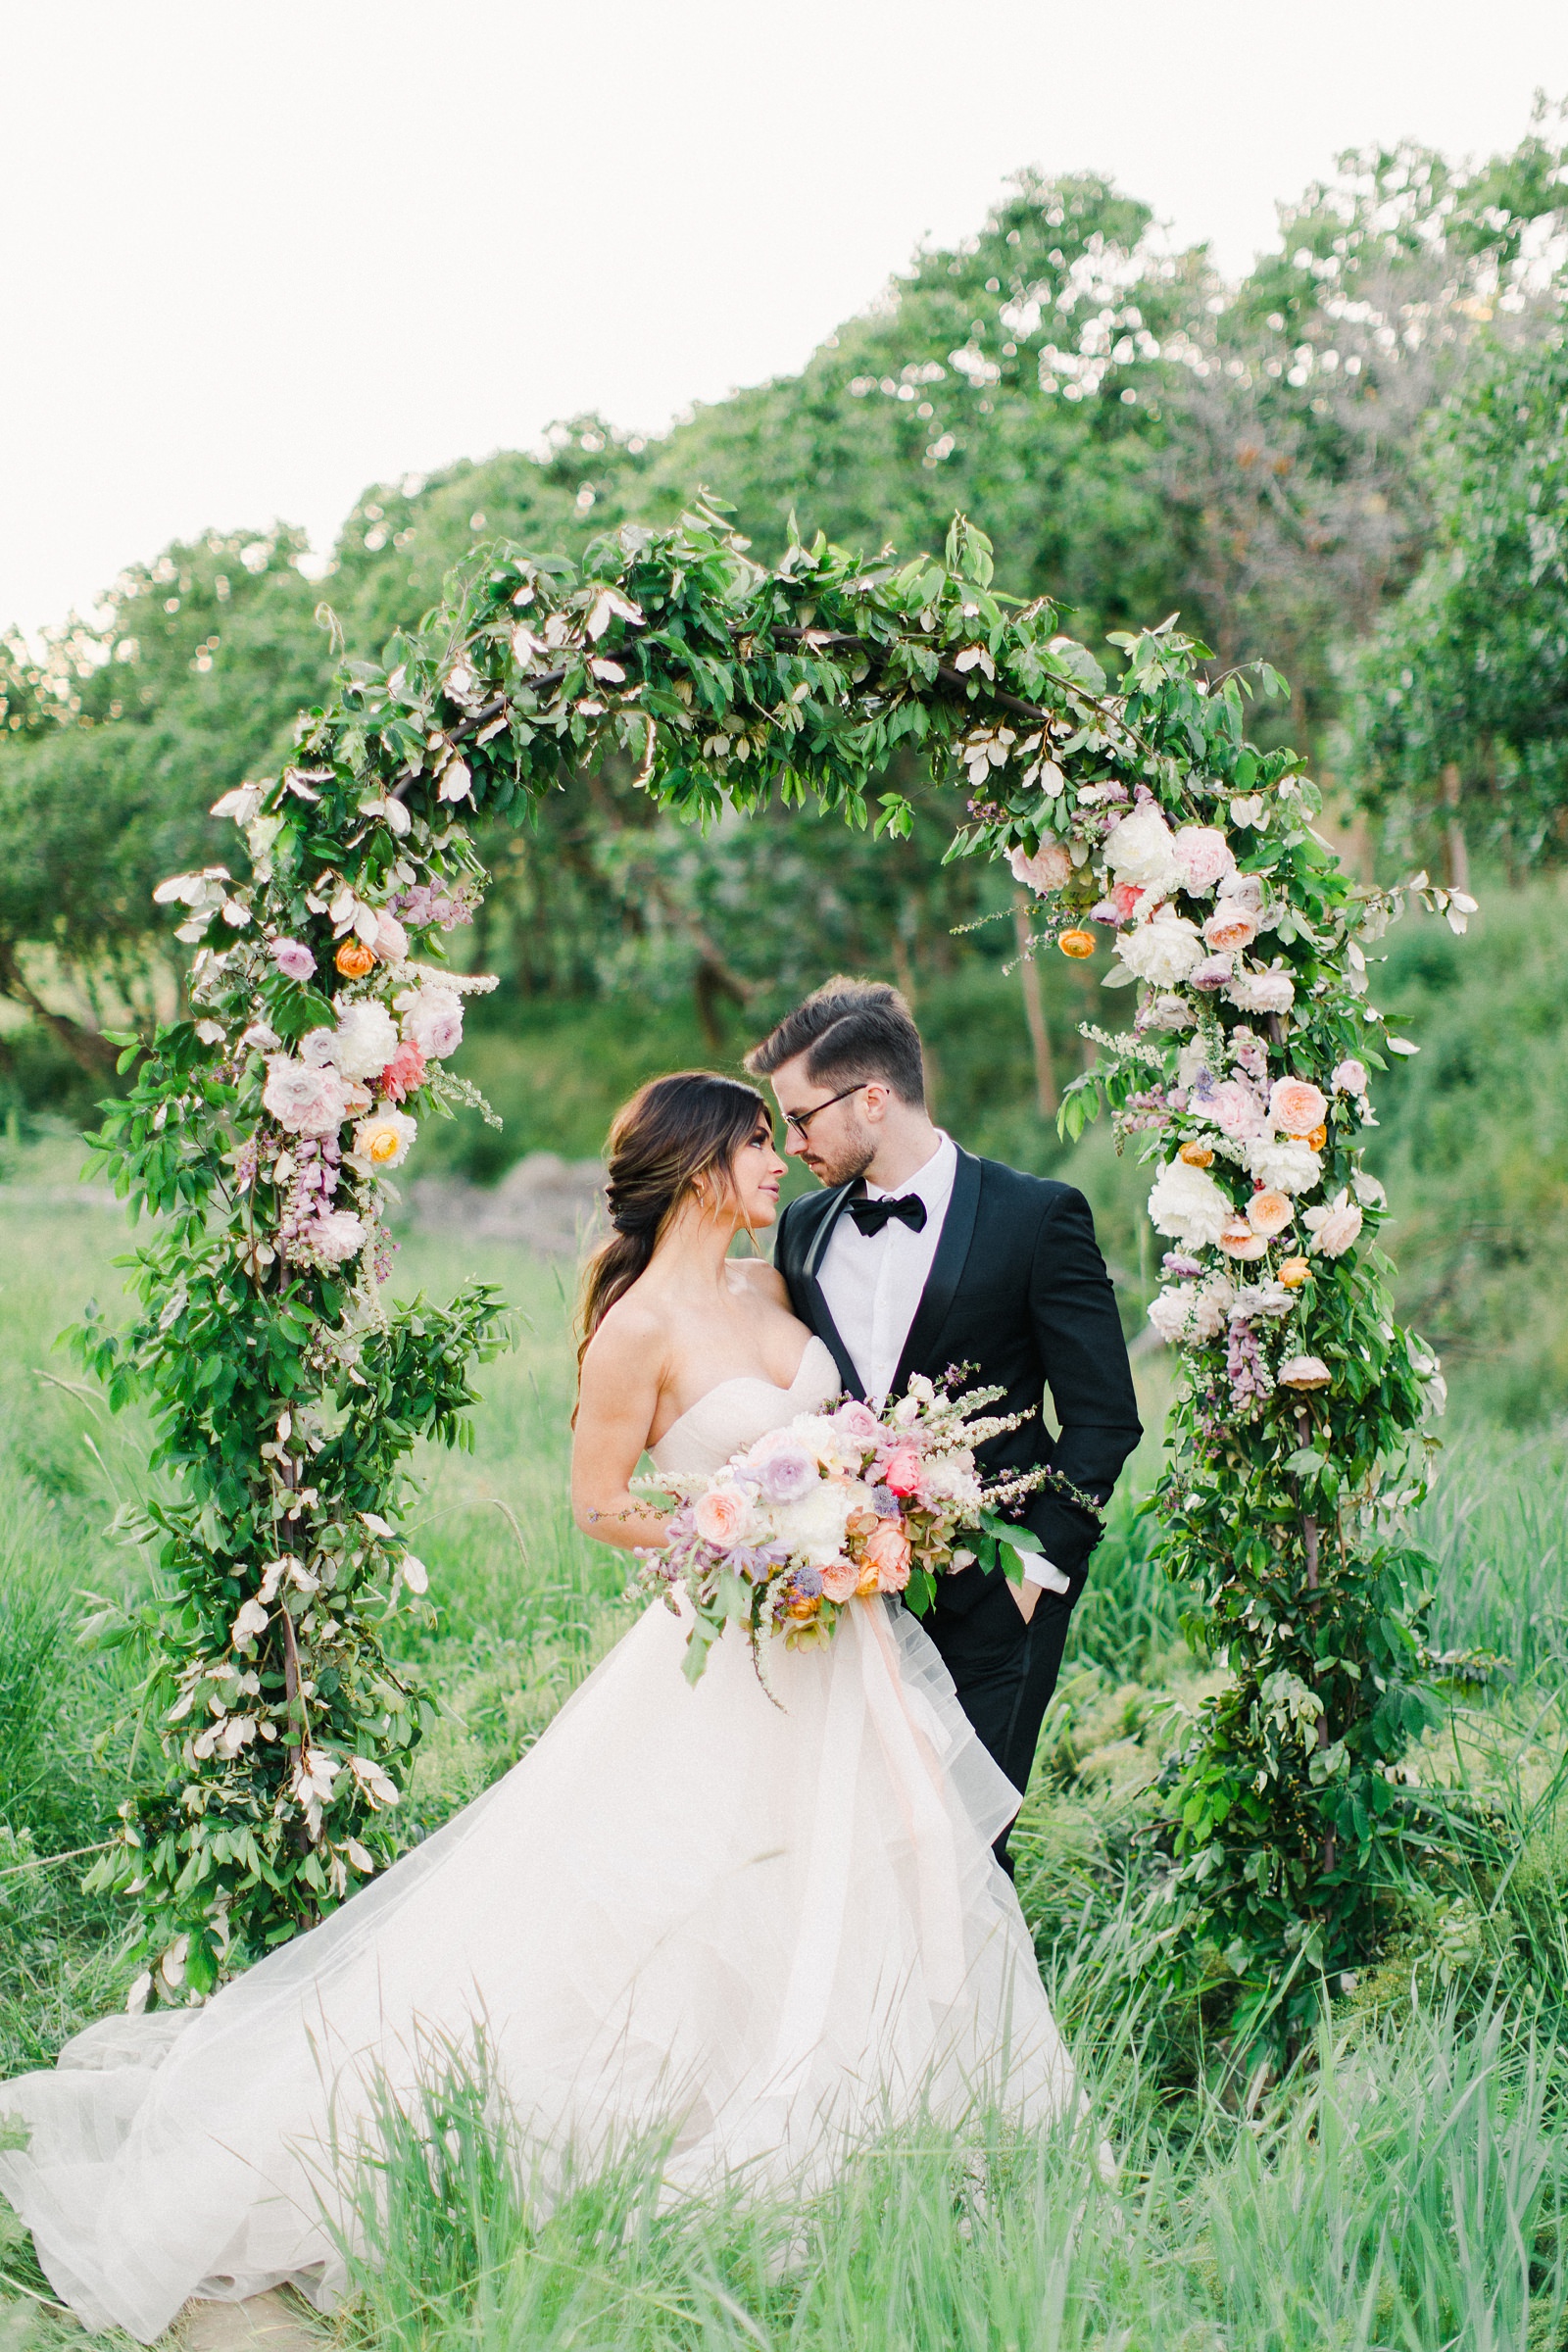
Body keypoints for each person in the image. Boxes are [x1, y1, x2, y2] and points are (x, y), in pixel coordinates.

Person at [0, 1071, 1073, 2345]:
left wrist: (862, 1502)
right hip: (729, 1638)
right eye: (756, 1147)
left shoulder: (773, 1290)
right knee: (685, 1895)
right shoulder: (636, 1331)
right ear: (697, 1169)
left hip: (842, 1640)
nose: (782, 1163)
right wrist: (740, 1529)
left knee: (864, 1876)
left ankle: (891, 2132)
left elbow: (839, 1434)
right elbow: (600, 1502)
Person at [748, 980, 1142, 1867]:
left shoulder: (1037, 1218)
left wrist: (1032, 1573)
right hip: (847, 1602)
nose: (792, 1146)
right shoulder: (804, 1230)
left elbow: (1104, 1421)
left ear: (873, 1100)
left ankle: (983, 2012)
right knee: (857, 1859)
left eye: (802, 1120)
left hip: (993, 1600)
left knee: (966, 1857)